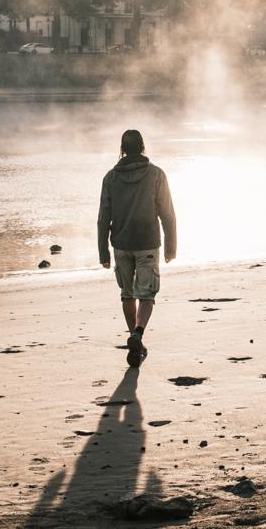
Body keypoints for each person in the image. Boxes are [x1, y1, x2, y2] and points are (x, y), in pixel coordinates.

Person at [97, 129, 176, 367]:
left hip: (121, 244)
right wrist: (171, 246)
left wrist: (103, 252)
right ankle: (138, 334)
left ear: (122, 149)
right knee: (147, 295)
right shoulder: (156, 175)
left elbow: (103, 218)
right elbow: (168, 214)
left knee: (127, 294)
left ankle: (134, 336)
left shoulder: (110, 178)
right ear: (142, 148)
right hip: (148, 242)